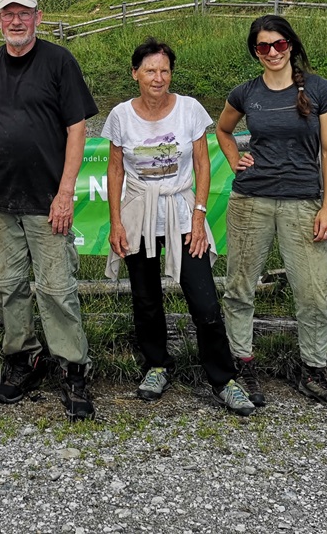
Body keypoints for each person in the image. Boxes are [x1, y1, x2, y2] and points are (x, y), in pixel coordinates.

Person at [0, 0, 98, 421]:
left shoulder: (59, 63)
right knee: (7, 287)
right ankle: (24, 358)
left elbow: (78, 129)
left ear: (39, 17)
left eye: (25, 13)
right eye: (8, 13)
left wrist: (65, 192)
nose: (16, 21)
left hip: (46, 201)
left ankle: (74, 368)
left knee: (57, 288)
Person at [104, 39, 255, 416]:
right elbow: (115, 169)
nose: (158, 78)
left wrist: (200, 216)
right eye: (150, 71)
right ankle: (157, 365)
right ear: (135, 73)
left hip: (183, 212)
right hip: (140, 212)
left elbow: (203, 165)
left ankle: (223, 378)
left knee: (204, 301)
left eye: (165, 70)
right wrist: (116, 222)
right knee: (146, 299)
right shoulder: (121, 116)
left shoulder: (189, 109)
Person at [216, 15, 327, 407]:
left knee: (312, 290)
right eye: (263, 46)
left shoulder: (321, 90)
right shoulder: (246, 93)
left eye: (278, 44)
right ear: (255, 52)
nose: (272, 52)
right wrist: (233, 158)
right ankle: (242, 363)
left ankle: (313, 368)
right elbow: (222, 130)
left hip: (303, 202)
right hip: (250, 200)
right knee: (239, 287)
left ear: (290, 44)